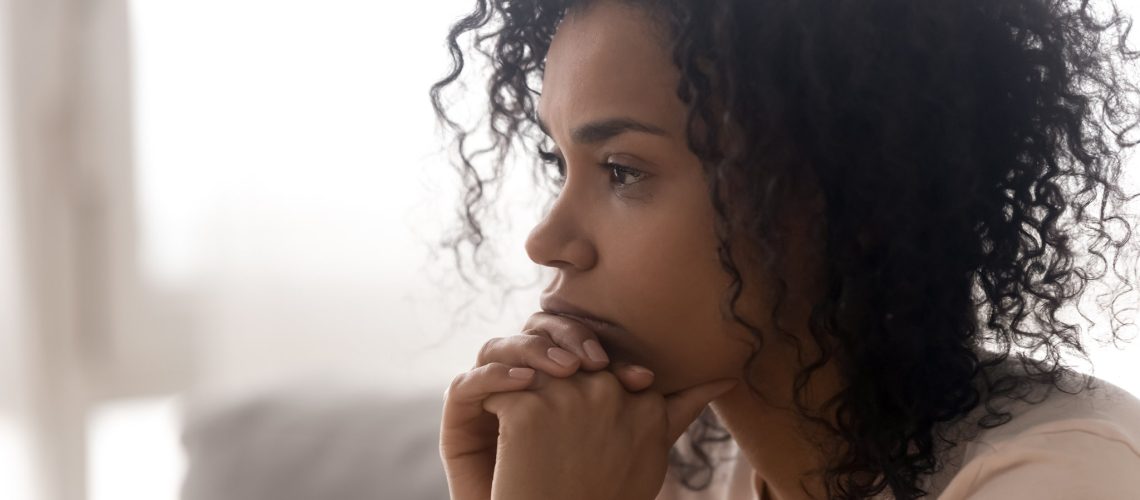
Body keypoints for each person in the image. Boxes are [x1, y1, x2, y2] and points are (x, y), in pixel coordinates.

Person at [430, 0, 1140, 498]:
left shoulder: (1068, 478)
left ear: (857, 191)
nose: (547, 242)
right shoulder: (651, 466)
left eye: (623, 171)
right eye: (562, 167)